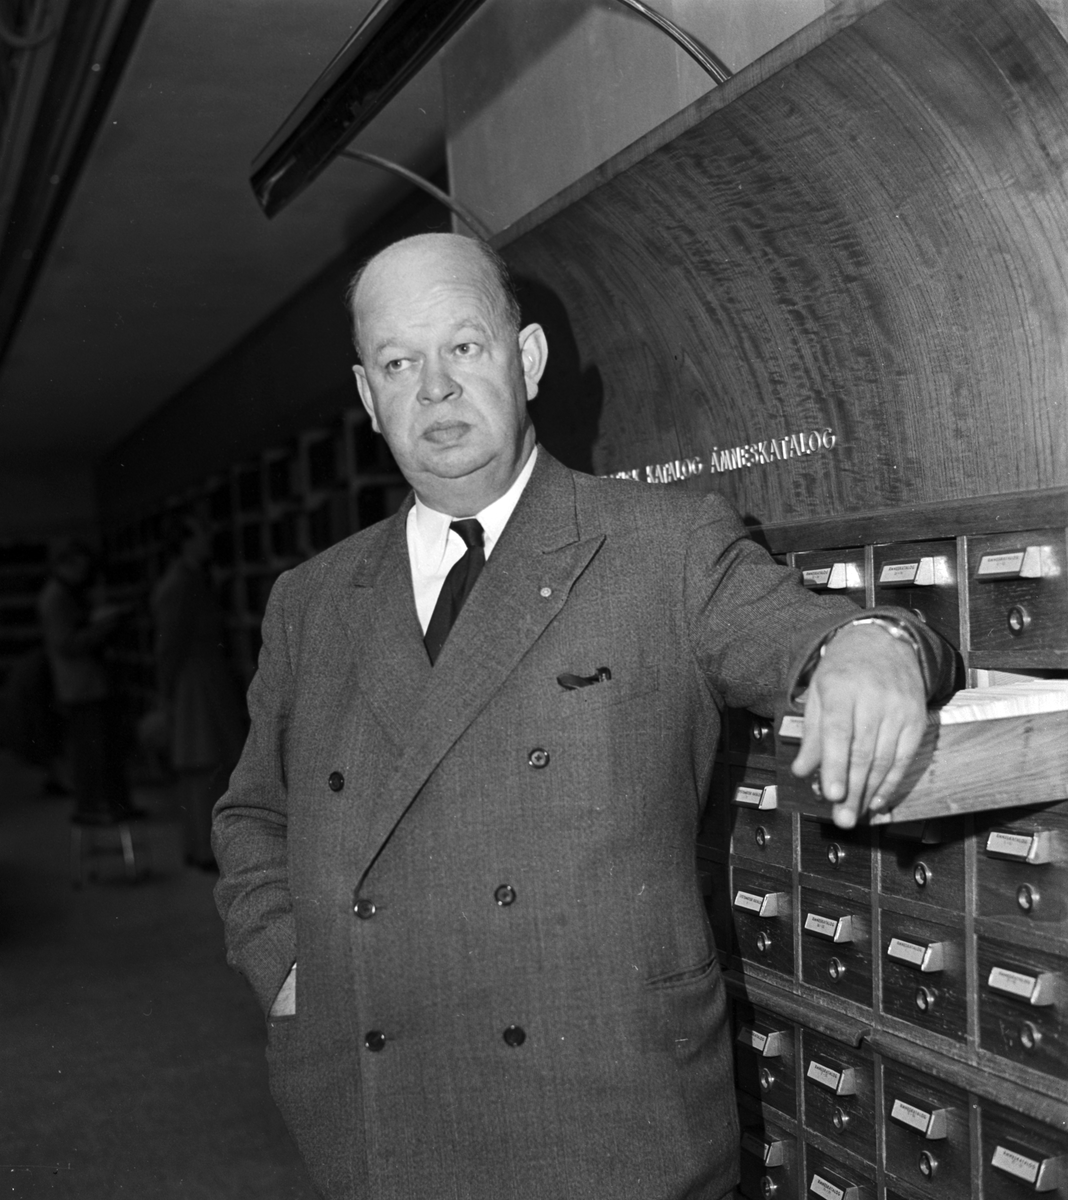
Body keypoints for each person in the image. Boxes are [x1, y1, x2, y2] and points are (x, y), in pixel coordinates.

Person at [212, 233, 955, 1200]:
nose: (433, 389)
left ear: (525, 360)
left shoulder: (660, 545)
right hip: (377, 1115)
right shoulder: (310, 601)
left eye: (464, 348)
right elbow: (249, 816)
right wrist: (287, 967)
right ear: (367, 396)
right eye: (399, 363)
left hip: (603, 1115)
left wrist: (873, 647)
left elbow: (800, 631)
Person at [150, 514, 248, 869]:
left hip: (205, 679)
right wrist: (168, 696)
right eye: (201, 532)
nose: (209, 538)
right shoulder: (178, 584)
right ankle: (203, 850)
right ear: (185, 541)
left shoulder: (192, 579)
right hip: (196, 684)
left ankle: (203, 848)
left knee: (211, 766)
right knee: (204, 767)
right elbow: (168, 647)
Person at [38, 538, 133, 819]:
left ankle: (109, 805)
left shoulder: (68, 593)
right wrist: (102, 627)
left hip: (89, 685)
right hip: (80, 688)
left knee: (103, 748)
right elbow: (66, 643)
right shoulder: (55, 597)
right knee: (89, 753)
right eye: (79, 566)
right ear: (65, 565)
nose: (84, 573)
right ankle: (90, 808)